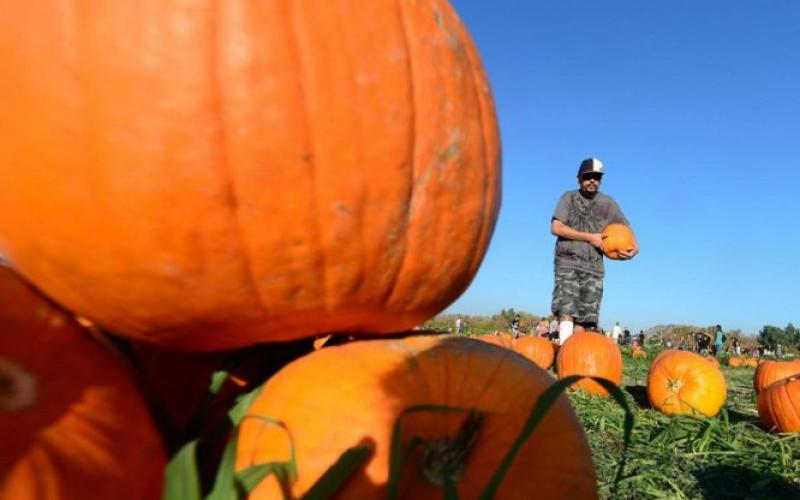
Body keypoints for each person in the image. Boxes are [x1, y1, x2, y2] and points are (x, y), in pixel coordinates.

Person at [550, 158, 638, 345]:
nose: (592, 181)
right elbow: (556, 227)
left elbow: (627, 230)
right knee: (567, 308)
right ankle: (565, 350)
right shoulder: (569, 198)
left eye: (596, 177)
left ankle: (575, 355)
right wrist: (590, 237)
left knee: (585, 318)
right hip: (568, 261)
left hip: (594, 267)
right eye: (588, 176)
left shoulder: (608, 204)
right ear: (579, 178)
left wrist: (633, 250)